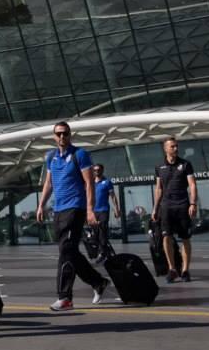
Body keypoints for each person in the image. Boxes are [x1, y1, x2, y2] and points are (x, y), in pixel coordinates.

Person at [36, 121, 110, 311]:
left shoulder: (80, 154)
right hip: (58, 210)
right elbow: (49, 183)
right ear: (54, 136)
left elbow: (89, 183)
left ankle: (65, 297)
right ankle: (98, 282)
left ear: (70, 135)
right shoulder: (51, 157)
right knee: (70, 251)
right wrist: (41, 205)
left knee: (66, 251)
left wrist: (90, 209)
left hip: (75, 208)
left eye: (65, 133)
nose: (62, 136)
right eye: (59, 134)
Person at [151, 137, 197, 283]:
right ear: (165, 148)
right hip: (166, 206)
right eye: (172, 146)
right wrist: (155, 208)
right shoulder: (159, 167)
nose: (176, 149)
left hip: (183, 205)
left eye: (176, 146)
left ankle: (185, 270)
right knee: (166, 237)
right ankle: (172, 269)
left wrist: (193, 203)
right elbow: (158, 189)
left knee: (185, 238)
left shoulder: (186, 164)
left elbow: (192, 185)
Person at [91, 163, 120, 264]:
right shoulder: (91, 183)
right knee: (95, 233)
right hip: (93, 211)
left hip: (103, 210)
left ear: (102, 170)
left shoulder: (107, 182)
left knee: (102, 231)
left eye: (98, 170)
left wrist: (116, 209)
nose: (97, 172)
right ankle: (105, 251)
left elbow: (113, 196)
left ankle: (102, 253)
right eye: (95, 170)